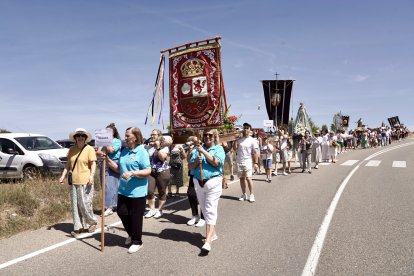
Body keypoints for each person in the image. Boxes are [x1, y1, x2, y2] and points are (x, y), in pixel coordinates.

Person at [106, 127, 151, 254]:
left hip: (137, 192)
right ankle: (132, 234)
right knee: (122, 212)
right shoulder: (124, 151)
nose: (125, 138)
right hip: (123, 190)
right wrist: (107, 160)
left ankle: (137, 242)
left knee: (136, 217)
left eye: (127, 136)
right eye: (125, 136)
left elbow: (148, 170)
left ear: (135, 137)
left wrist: (133, 173)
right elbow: (119, 169)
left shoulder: (141, 151)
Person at [188, 129, 225, 253]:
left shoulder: (218, 149)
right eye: (205, 135)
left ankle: (208, 240)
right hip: (198, 181)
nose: (207, 137)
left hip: (213, 181)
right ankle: (213, 234)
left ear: (214, 137)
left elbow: (216, 162)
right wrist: (196, 162)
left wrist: (203, 152)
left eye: (210, 135)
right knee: (204, 209)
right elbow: (190, 166)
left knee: (210, 209)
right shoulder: (196, 149)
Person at [59, 128, 98, 238]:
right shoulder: (72, 149)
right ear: (75, 138)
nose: (80, 137)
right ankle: (78, 227)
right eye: (78, 136)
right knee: (75, 206)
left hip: (86, 181)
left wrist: (91, 176)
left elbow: (93, 163)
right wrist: (63, 176)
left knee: (85, 204)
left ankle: (92, 222)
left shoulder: (89, 149)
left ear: (85, 138)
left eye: (82, 136)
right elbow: (68, 164)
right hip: (73, 182)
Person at [96, 123, 122, 217]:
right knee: (105, 185)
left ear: (113, 133)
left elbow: (111, 150)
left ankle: (109, 207)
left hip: (112, 162)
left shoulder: (117, 141)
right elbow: (98, 152)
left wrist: (106, 142)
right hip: (103, 163)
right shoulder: (102, 141)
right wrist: (100, 151)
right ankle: (112, 205)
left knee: (111, 184)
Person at [145, 131, 171, 219]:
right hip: (151, 171)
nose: (152, 136)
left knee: (162, 191)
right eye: (151, 134)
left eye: (154, 134)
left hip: (162, 172)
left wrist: (158, 147)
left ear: (159, 136)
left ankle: (160, 210)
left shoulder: (165, 147)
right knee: (149, 191)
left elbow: (162, 158)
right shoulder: (148, 146)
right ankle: (152, 209)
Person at [233, 122, 259, 202]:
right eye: (244, 128)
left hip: (248, 161)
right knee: (241, 178)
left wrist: (255, 163)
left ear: (250, 130)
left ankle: (251, 194)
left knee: (248, 178)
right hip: (239, 161)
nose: (245, 129)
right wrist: (235, 139)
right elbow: (234, 149)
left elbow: (255, 152)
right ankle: (244, 194)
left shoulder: (252, 140)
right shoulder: (239, 139)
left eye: (247, 128)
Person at [185, 136, 205, 227]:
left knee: (202, 196)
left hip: (201, 175)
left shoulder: (203, 146)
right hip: (193, 174)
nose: (193, 142)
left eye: (194, 140)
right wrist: (189, 150)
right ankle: (195, 215)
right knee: (191, 194)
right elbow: (188, 160)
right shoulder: (192, 149)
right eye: (192, 140)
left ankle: (203, 217)